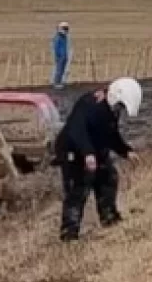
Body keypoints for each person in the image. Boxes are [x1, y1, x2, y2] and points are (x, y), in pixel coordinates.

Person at [54, 77, 141, 242]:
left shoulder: (110, 111)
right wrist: (87, 153)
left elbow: (110, 135)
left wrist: (126, 151)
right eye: (120, 106)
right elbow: (77, 129)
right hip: (72, 150)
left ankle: (109, 217)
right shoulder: (89, 104)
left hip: (94, 151)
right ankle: (69, 234)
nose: (120, 110)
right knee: (77, 190)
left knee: (108, 177)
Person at [52, 22, 71, 89]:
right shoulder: (58, 37)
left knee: (62, 70)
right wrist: (57, 56)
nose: (66, 30)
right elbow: (56, 47)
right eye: (65, 28)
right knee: (59, 70)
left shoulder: (64, 37)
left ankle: (59, 82)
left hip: (64, 55)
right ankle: (56, 83)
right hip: (60, 56)